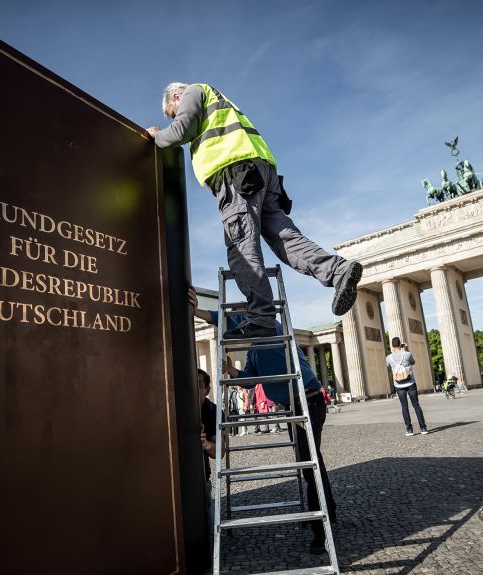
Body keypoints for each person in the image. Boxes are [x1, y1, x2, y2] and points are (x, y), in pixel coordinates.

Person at [148, 83, 362, 339]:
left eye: (173, 112)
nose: (175, 116)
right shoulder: (220, 103)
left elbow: (183, 129)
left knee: (241, 247)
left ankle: (261, 317)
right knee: (286, 239)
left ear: (175, 96)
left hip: (235, 174)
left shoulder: (194, 92)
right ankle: (338, 271)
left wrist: (155, 137)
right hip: (261, 175)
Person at [188, 287, 336, 554]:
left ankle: (321, 529)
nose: (241, 325)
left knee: (309, 462)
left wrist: (200, 312)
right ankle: (328, 512)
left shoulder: (272, 327)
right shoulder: (256, 348)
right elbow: (249, 379)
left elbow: (233, 320)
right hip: (294, 406)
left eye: (243, 319)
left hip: (309, 401)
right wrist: (231, 370)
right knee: (310, 461)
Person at [198, 368, 224, 529]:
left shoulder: (213, 411)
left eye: (198, 384)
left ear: (207, 390)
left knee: (205, 529)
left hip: (200, 478)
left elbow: (220, 452)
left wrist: (205, 444)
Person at [386, 338, 428, 436]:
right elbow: (413, 362)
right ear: (400, 344)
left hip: (398, 385)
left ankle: (409, 430)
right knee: (416, 405)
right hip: (410, 383)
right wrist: (404, 349)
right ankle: (423, 428)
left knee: (404, 407)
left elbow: (388, 366)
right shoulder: (407, 354)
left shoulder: (388, 357)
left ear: (392, 346)